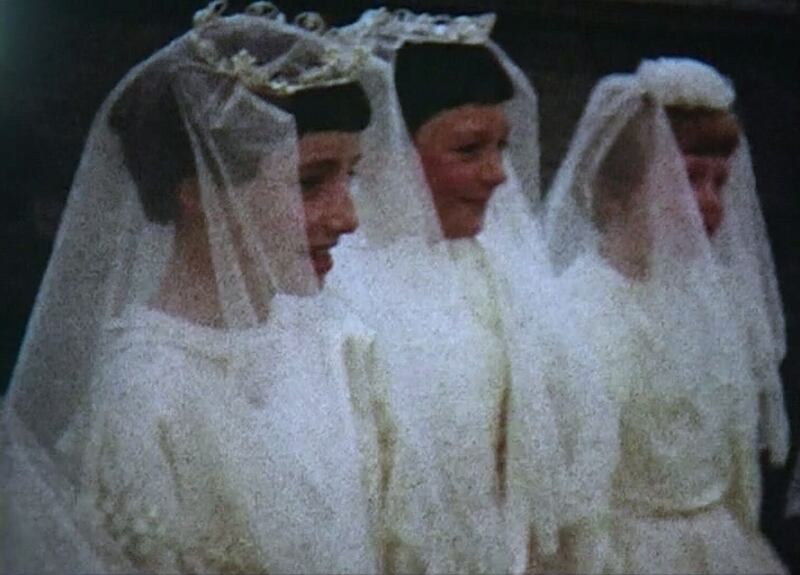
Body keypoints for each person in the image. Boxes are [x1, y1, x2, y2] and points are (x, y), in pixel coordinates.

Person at [1, 3, 393, 573]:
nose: (348, 216)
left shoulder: (334, 341)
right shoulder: (144, 398)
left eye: (349, 177)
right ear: (200, 189)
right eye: (311, 182)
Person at [326, 9, 611, 573]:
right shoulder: (337, 287)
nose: (497, 174)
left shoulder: (496, 276)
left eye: (500, 148)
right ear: (388, 153)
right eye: (468, 149)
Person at [543, 57, 788, 574]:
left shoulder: (716, 298)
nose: (709, 203)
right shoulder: (582, 307)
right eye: (687, 181)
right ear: (617, 188)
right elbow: (581, 486)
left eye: (719, 183)